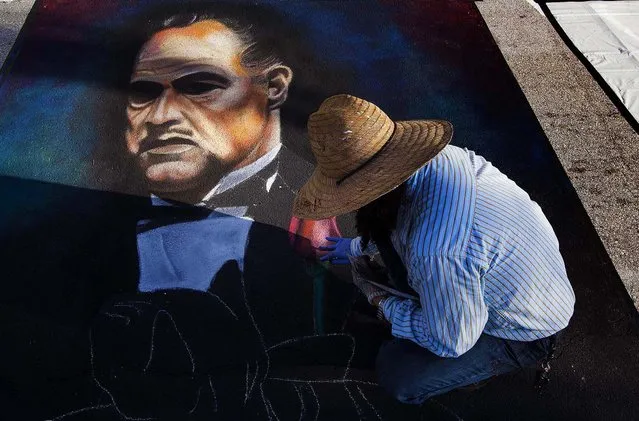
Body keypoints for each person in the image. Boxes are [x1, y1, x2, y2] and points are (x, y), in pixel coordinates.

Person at [294, 94, 576, 404]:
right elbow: (392, 221)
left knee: (398, 372)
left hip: (525, 329)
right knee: (401, 259)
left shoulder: (435, 251)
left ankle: (483, 370)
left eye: (351, 197)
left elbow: (453, 341)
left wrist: (383, 304)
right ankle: (435, 303)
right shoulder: (441, 160)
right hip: (524, 280)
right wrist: (355, 247)